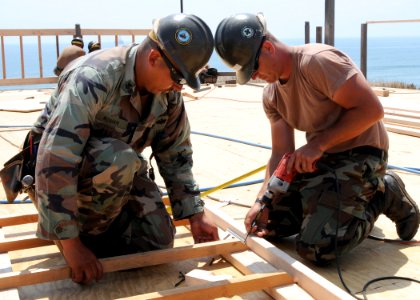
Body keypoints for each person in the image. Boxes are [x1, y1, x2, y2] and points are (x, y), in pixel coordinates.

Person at [23, 13, 219, 284]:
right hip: (56, 174)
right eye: (177, 78)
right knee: (120, 159)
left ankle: (100, 229)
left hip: (112, 172)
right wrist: (72, 246)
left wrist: (195, 213)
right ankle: (74, 231)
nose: (178, 86)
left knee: (158, 241)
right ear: (153, 59)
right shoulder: (94, 78)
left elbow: (176, 155)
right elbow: (54, 157)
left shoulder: (168, 93)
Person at [215, 13, 419, 265]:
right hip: (321, 158)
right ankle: (330, 208)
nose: (254, 77)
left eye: (253, 69)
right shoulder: (272, 95)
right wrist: (262, 201)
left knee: (318, 247)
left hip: (362, 153)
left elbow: (372, 110)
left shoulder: (317, 62)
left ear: (267, 48)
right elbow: (280, 154)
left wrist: (318, 144)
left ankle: (384, 192)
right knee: (269, 225)